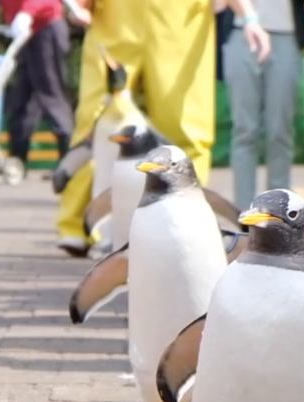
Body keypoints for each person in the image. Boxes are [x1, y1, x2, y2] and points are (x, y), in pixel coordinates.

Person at [53, 0, 270, 255]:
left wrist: (248, 17)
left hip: (181, 19)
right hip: (116, 15)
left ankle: (184, 221)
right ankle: (81, 225)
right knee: (98, 122)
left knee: (186, 127)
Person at [223, 0, 304, 209]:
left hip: (287, 35)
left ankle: (280, 212)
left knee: (279, 131)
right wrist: (249, 18)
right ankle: (244, 213)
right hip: (241, 31)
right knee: (245, 130)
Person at [0, 0, 83, 171]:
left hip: (45, 27)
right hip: (24, 32)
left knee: (51, 94)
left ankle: (68, 163)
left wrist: (27, 12)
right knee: (22, 96)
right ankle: (17, 160)